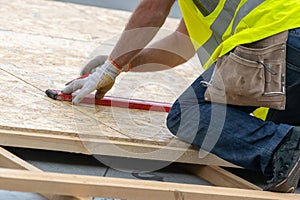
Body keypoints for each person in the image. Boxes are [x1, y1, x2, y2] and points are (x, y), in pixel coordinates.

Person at [62, 0, 300, 193]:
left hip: (276, 35)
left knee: (189, 114)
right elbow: (180, 45)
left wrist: (111, 67)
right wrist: (122, 63)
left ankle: (291, 143)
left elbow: (153, 9)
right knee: (280, 142)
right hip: (288, 43)